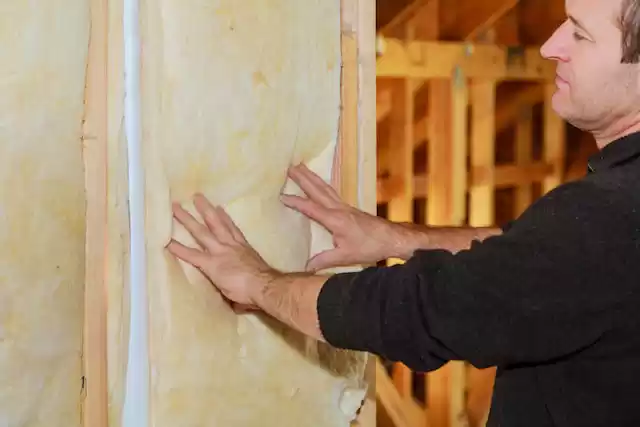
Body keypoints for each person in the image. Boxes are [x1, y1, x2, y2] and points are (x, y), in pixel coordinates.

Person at [166, 0, 640, 425]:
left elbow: (426, 310)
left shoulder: (609, 218)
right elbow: (531, 259)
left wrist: (259, 283)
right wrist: (397, 239)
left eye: (580, 34)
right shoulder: (606, 221)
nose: (551, 46)